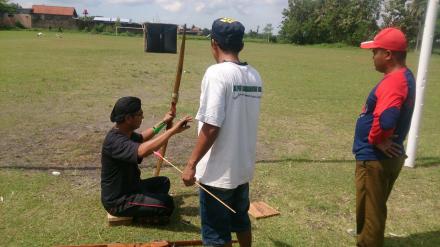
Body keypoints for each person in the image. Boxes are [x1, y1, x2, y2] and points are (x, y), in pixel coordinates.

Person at [181, 18, 263, 247]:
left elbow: (211, 126)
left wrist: (191, 164)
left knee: (216, 234)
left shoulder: (217, 74)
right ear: (241, 45)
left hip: (217, 174)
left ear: (214, 43)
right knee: (240, 221)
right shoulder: (254, 75)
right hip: (241, 170)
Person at [353, 27, 415, 246]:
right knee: (373, 209)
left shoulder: (393, 81)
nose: (373, 57)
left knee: (371, 214)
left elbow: (387, 118)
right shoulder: (404, 75)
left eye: (375, 52)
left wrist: (378, 139)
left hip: (375, 160)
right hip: (383, 158)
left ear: (388, 54)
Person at [101, 96, 192, 223]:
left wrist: (164, 122)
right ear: (128, 118)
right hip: (119, 201)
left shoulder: (125, 132)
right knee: (167, 203)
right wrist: (172, 131)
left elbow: (143, 137)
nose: (142, 117)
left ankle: (147, 205)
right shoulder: (115, 141)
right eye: (140, 114)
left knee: (163, 182)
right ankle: (142, 215)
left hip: (133, 187)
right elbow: (143, 151)